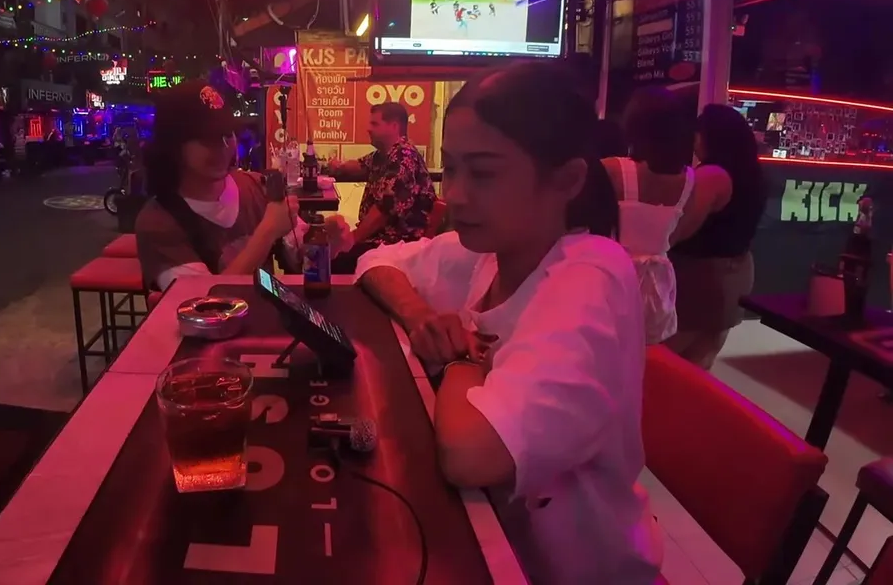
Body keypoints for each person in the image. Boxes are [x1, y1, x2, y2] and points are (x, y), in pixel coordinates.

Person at [356, 62, 661, 585]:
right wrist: (421, 315)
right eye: (451, 169)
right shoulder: (490, 253)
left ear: (566, 180)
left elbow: (471, 455)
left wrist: (458, 356)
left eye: (484, 173)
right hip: (497, 544)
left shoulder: (592, 273)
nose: (456, 194)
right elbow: (375, 263)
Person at [135, 83, 337, 291]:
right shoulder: (158, 222)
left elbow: (299, 254)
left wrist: (327, 241)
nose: (224, 147)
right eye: (210, 138)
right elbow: (203, 300)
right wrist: (267, 232)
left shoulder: (256, 186)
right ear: (173, 147)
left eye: (228, 134)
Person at [667, 103, 767, 369]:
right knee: (701, 362)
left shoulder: (712, 175)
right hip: (736, 272)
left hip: (701, 278)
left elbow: (682, 229)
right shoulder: (753, 173)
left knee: (666, 363)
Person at [604, 87, 696, 345]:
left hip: (614, 276)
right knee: (644, 356)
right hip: (659, 283)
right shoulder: (690, 179)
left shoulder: (613, 168)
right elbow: (676, 235)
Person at [324, 102, 436, 273]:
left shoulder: (403, 157)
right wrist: (338, 166)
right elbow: (360, 166)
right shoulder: (384, 155)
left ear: (394, 126)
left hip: (397, 244)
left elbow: (383, 210)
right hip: (380, 239)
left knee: (330, 260)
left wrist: (353, 239)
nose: (368, 129)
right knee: (326, 250)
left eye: (375, 124)